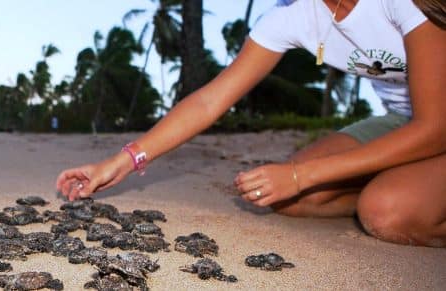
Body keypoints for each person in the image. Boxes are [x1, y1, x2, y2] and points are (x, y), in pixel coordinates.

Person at [56, 0, 445, 247]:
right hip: (400, 120)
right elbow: (210, 100)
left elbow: (435, 127)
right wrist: (123, 160)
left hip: (436, 121)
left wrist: (300, 173)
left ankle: (403, 196)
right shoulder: (291, 15)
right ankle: (407, 186)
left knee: (386, 212)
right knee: (293, 199)